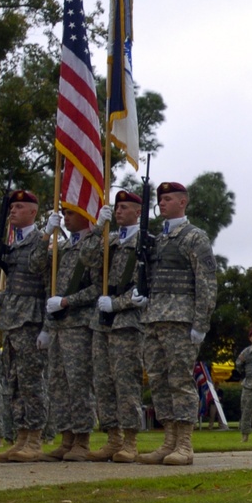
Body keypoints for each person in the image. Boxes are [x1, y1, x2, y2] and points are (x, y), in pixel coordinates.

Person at [136, 182, 217, 465]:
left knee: (180, 379)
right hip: (154, 318)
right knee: (159, 380)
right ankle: (168, 440)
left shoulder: (195, 237)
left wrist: (201, 323)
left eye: (168, 199)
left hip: (181, 319)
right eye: (160, 199)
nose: (162, 203)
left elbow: (206, 281)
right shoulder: (157, 240)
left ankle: (184, 444)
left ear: (183, 202)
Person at [0, 189, 58, 463]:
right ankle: (21, 438)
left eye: (19, 206)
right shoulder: (12, 245)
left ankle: (35, 440)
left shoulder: (42, 242)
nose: (13, 211)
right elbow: (15, 287)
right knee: (13, 383)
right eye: (11, 207)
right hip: (12, 321)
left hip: (31, 322)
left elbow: (48, 286)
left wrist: (48, 328)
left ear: (33, 212)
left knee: (32, 383)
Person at [84, 191, 146, 463]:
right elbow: (86, 260)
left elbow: (144, 287)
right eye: (116, 207)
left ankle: (131, 441)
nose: (118, 211)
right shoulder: (108, 240)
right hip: (102, 320)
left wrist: (117, 304)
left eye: (124, 207)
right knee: (103, 381)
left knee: (125, 381)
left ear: (137, 211)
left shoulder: (144, 242)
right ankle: (113, 438)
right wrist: (98, 227)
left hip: (127, 320)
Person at [43, 207, 100, 461]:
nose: (66, 217)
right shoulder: (63, 249)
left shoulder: (93, 247)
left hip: (79, 324)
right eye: (64, 213)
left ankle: (82, 440)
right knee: (58, 384)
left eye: (72, 213)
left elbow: (98, 287)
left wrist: (67, 301)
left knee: (78, 383)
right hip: (57, 325)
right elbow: (45, 279)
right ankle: (66, 438)